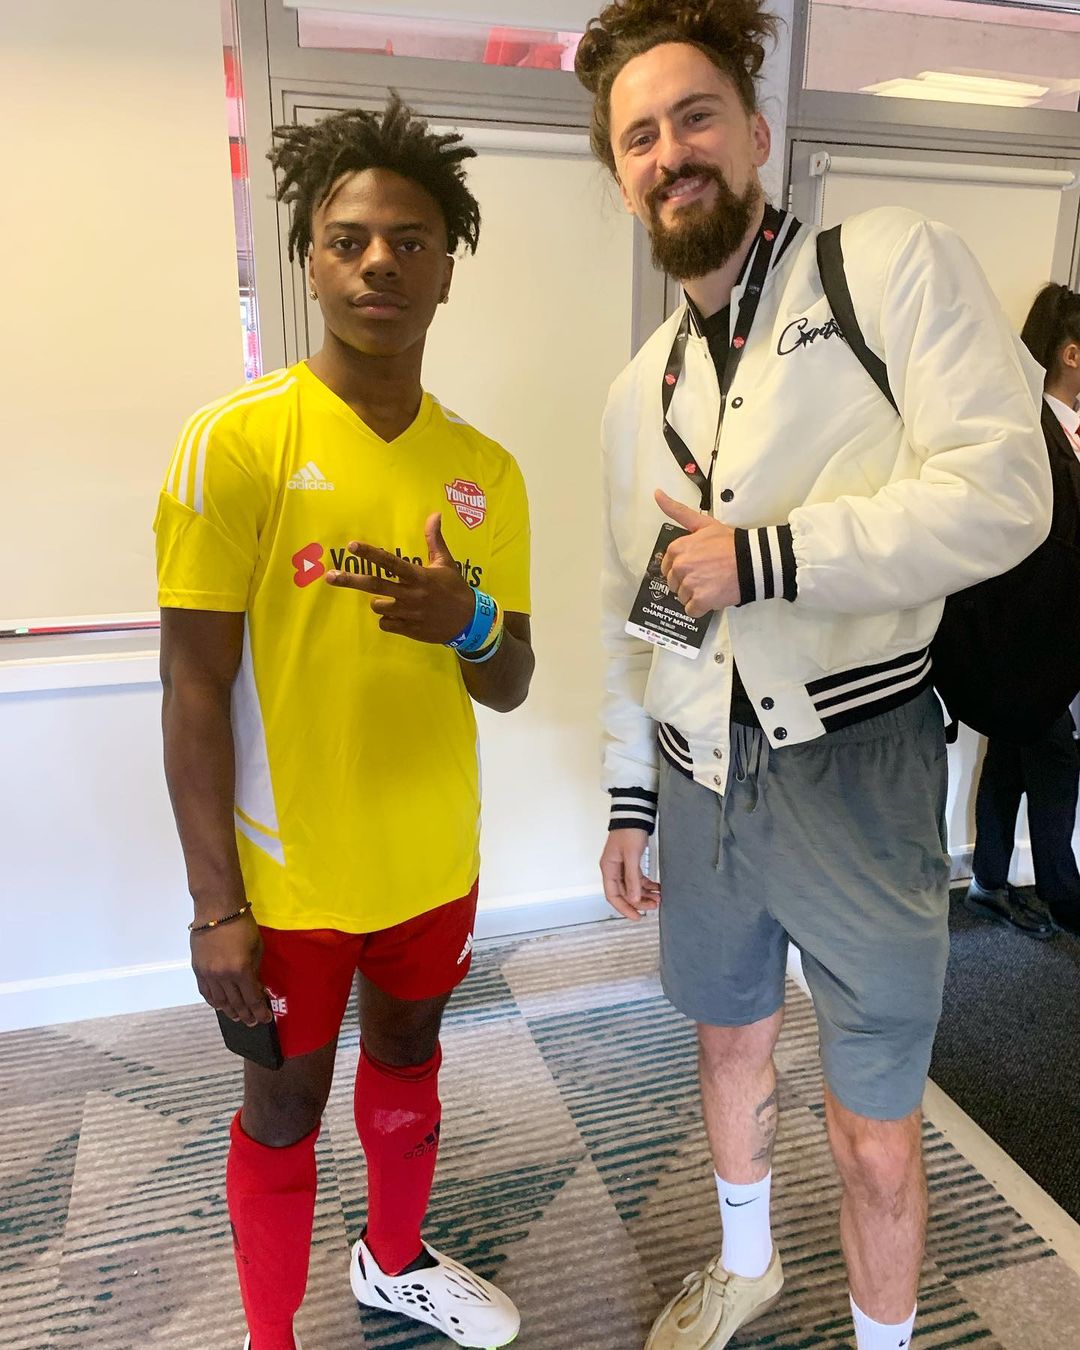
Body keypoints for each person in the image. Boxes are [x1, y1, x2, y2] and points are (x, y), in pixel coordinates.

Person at [574, 3, 1050, 1348]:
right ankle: (747, 1265)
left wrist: (770, 557)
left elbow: (1006, 492)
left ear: (758, 128)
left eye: (696, 117)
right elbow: (635, 607)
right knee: (727, 1037)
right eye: (639, 137)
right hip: (699, 783)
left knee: (874, 1122)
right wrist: (629, 796)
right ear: (621, 176)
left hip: (860, 769)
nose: (671, 153)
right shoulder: (637, 389)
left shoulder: (886, 266)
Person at [156, 95, 532, 1350]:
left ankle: (394, 1260)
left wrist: (468, 623)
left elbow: (511, 680)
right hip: (288, 877)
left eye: (410, 240)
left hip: (431, 855)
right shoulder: (235, 444)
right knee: (283, 1106)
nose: (380, 262)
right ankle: (271, 1337)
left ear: (446, 268)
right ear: (310, 262)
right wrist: (215, 907)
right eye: (349, 239)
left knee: (411, 1058)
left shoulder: (485, 470)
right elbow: (192, 686)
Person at [966, 284, 1080, 940]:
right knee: (1056, 759)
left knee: (1010, 758)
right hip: (1029, 637)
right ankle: (1065, 896)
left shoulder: (1060, 429)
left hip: (1042, 636)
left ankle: (987, 882)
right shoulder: (1031, 431)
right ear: (1071, 353)